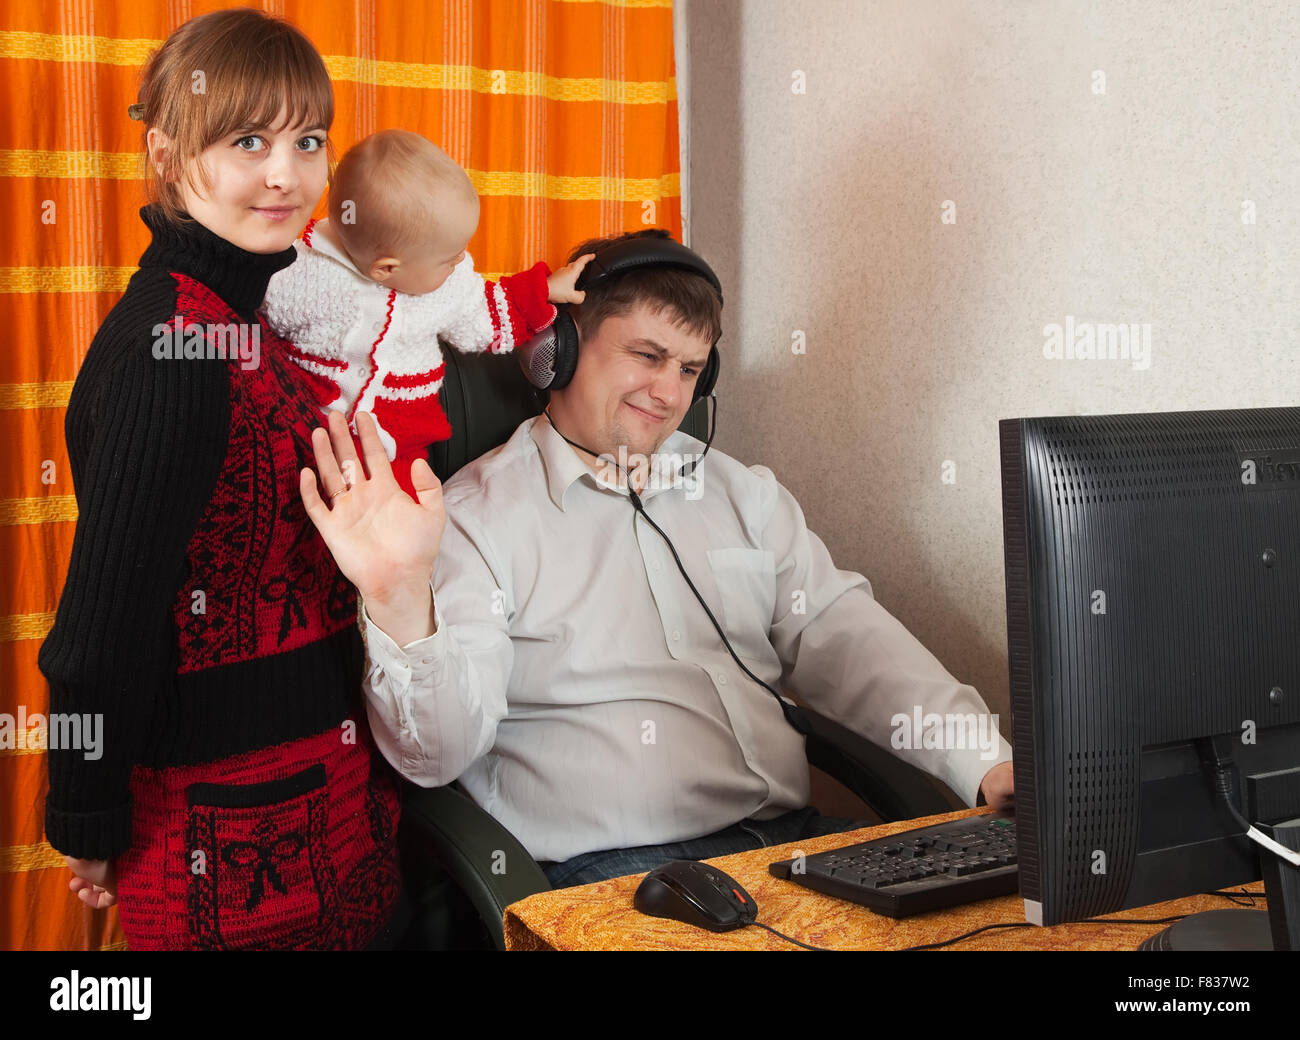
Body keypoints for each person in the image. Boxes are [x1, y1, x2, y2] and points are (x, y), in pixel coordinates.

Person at [299, 229, 1015, 890]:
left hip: (792, 849)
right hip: (615, 876)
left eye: (690, 369)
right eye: (646, 355)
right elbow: (436, 756)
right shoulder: (476, 519)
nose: (668, 394)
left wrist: (984, 759)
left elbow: (846, 637)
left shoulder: (744, 495)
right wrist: (399, 597)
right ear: (558, 348)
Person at [39, 8, 406, 948]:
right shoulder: (176, 344)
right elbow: (99, 633)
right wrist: (85, 817)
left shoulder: (241, 315)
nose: (286, 174)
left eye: (308, 140)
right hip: (215, 833)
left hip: (324, 800)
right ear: (168, 153)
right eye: (249, 141)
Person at [261, 129, 594, 499]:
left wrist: (543, 291)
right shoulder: (295, 270)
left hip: (398, 447)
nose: (461, 262)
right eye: (449, 259)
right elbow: (251, 312)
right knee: (293, 502)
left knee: (404, 513)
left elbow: (483, 310)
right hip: (306, 437)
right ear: (386, 269)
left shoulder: (448, 287)